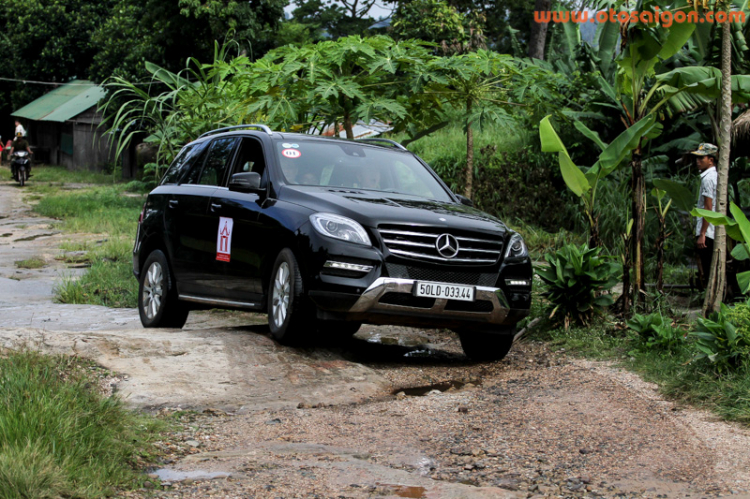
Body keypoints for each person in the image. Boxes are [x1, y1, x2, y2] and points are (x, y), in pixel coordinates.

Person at [691, 143, 718, 287]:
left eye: (701, 158)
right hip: (712, 229)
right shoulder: (714, 176)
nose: (698, 161)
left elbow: (708, 207)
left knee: (707, 266)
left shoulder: (708, 179)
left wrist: (702, 233)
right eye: (697, 158)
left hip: (708, 231)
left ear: (711, 160)